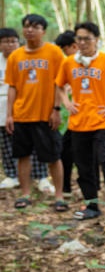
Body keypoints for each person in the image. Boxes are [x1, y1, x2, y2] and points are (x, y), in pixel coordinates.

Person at [56, 21, 105, 225]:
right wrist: (66, 102)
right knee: (83, 168)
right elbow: (59, 85)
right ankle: (91, 206)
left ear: (96, 39)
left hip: (103, 123)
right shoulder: (69, 63)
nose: (82, 42)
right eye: (79, 38)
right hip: (78, 124)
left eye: (86, 38)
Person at [3, 14, 67, 211]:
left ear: (43, 31)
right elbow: (12, 87)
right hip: (22, 114)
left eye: (35, 26)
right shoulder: (16, 56)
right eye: (27, 26)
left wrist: (56, 109)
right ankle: (25, 194)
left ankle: (59, 196)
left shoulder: (54, 52)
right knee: (22, 156)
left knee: (53, 156)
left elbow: (60, 83)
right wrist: (10, 114)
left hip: (45, 114)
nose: (30, 30)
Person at [0, 28, 55, 193]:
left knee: (35, 143)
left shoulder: (24, 58)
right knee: (6, 145)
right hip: (2, 107)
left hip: (27, 107)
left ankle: (41, 176)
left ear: (19, 42)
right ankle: (12, 175)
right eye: (5, 41)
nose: (10, 45)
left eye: (13, 41)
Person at [54, 30, 78, 198]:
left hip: (91, 120)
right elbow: (61, 85)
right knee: (65, 151)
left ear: (73, 46)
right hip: (75, 118)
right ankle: (66, 187)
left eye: (65, 49)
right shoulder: (69, 64)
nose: (64, 53)